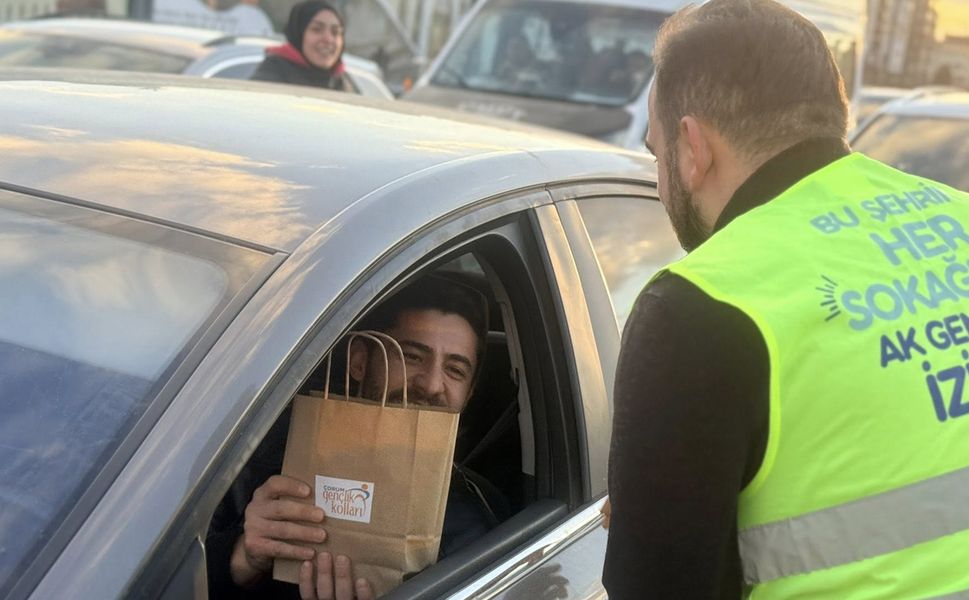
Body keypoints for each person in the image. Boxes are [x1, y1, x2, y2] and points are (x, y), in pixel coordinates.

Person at [603, 1, 969, 598]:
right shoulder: (960, 220)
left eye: (655, 153)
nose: (660, 181)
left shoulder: (700, 307)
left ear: (693, 148)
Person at [207, 273, 498, 599]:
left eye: (455, 370)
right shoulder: (251, 464)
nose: (430, 384)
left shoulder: (480, 524)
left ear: (469, 394)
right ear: (360, 360)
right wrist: (240, 559)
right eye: (412, 356)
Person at [250, 0, 351, 91]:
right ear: (298, 34)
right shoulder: (272, 74)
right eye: (317, 29)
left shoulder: (342, 82)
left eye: (335, 32)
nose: (328, 39)